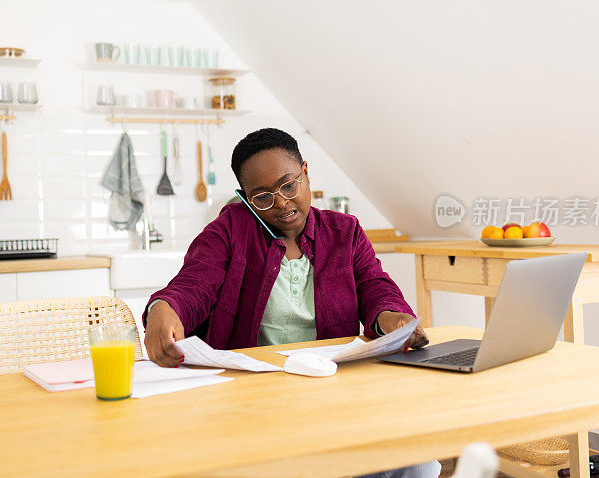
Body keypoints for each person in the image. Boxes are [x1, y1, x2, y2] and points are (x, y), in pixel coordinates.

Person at [144, 127, 439, 478]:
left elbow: (375, 287)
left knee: (416, 458)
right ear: (246, 198)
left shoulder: (345, 232)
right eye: (263, 197)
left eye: (289, 185)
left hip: (333, 392)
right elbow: (194, 284)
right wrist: (164, 307)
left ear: (306, 173)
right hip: (251, 401)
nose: (282, 203)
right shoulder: (229, 231)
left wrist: (390, 316)